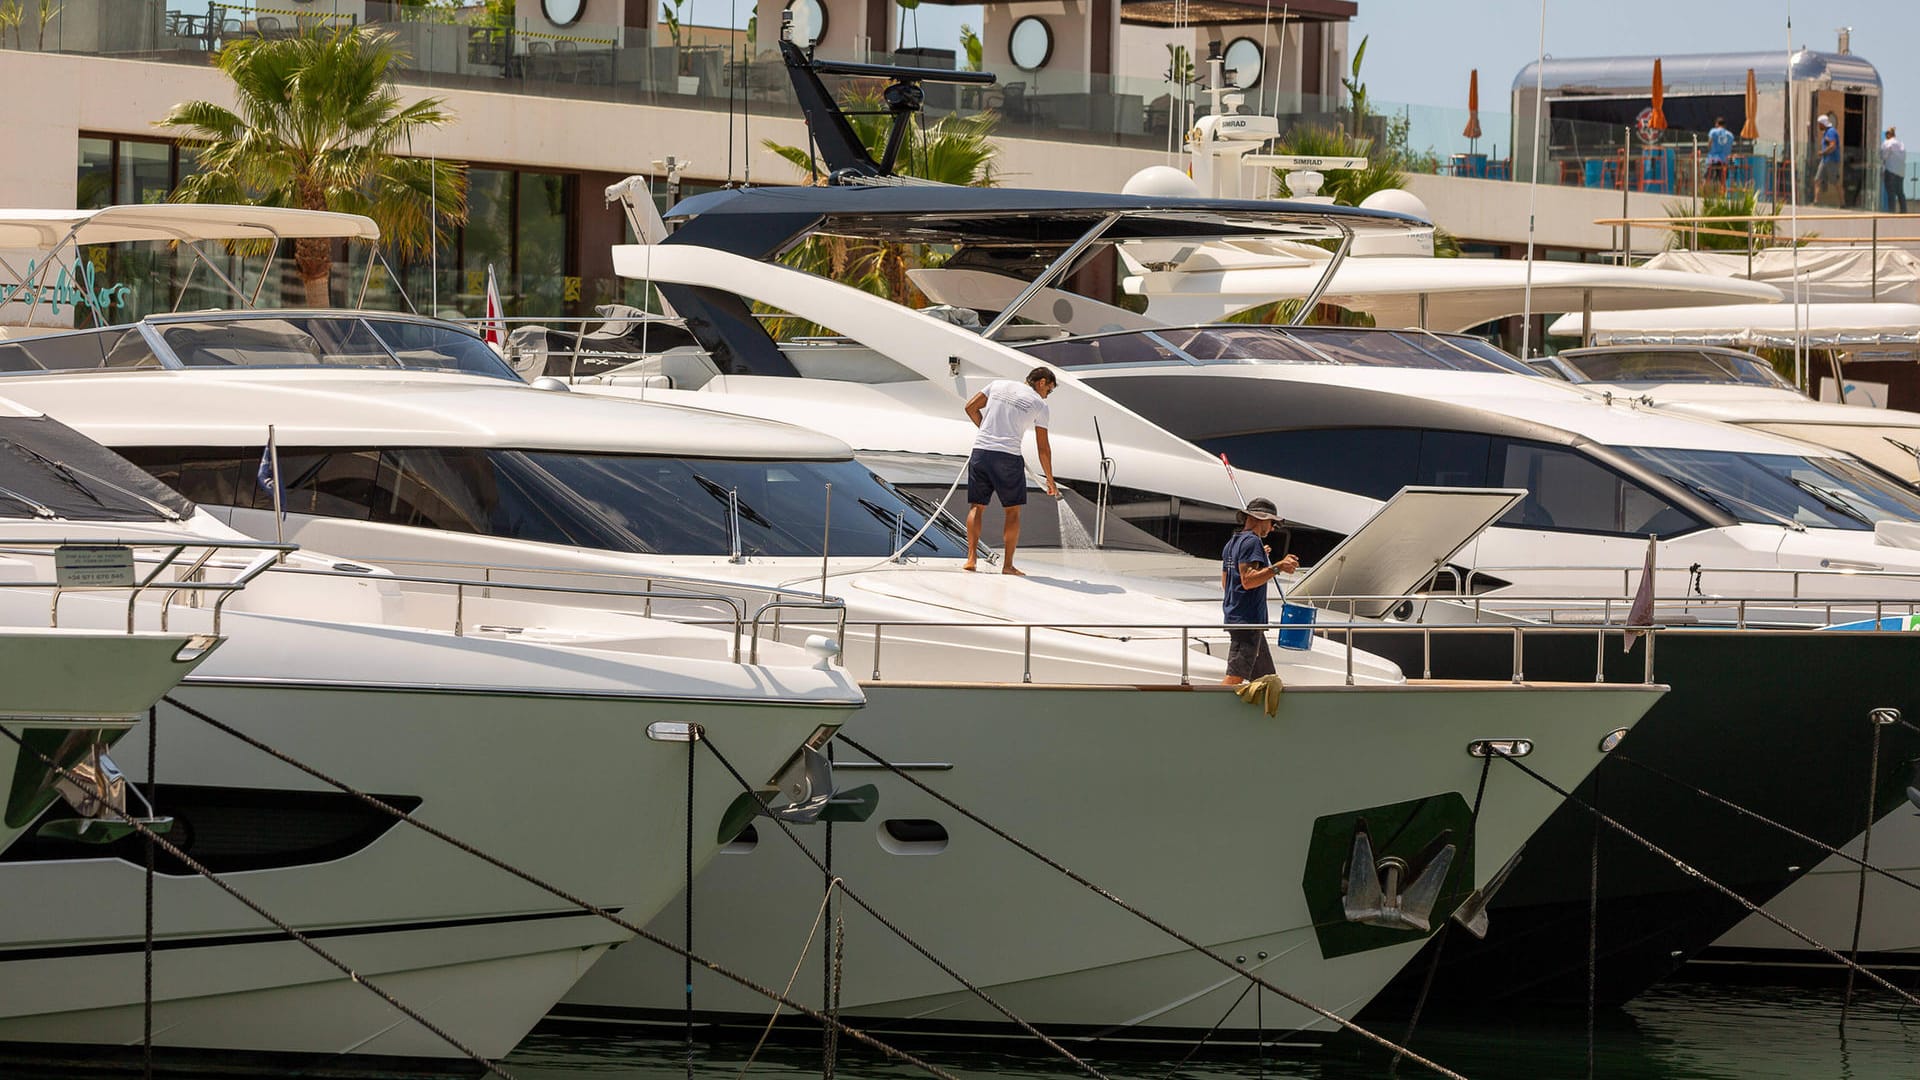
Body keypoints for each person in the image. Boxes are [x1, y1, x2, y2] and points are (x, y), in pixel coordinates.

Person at [961, 366, 1058, 575]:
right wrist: (1050, 480)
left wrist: (987, 431)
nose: (1047, 396)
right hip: (1008, 458)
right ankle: (1008, 566)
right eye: (1048, 390)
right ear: (1041, 382)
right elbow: (1043, 448)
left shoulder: (997, 385)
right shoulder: (1040, 405)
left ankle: (971, 559)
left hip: (981, 452)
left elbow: (970, 407)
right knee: (1012, 512)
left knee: (976, 507)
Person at [1220, 497, 1300, 686]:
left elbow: (1227, 583)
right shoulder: (1252, 542)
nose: (1272, 528)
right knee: (1235, 676)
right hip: (1247, 621)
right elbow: (1247, 581)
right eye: (1272, 523)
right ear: (1262, 519)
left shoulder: (1232, 544)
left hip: (1239, 617)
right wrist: (1279, 566)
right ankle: (1204, 712)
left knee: (1266, 680)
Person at [1815, 114, 1841, 206]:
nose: (1819, 126)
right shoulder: (1826, 133)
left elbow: (1833, 146)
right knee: (1817, 179)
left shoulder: (1831, 132)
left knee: (1835, 182)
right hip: (1825, 160)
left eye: (1819, 124)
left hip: (1831, 160)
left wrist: (1823, 153)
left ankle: (1842, 202)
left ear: (1823, 124)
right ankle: (1816, 201)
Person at [1883, 126, 1909, 214]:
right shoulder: (1901, 144)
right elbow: (1904, 157)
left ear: (1889, 135)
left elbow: (1882, 155)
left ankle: (1891, 212)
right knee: (1900, 192)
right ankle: (1904, 211)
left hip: (1891, 170)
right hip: (1901, 172)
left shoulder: (1888, 143)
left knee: (1891, 192)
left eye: (1886, 135)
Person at [1705, 117, 1734, 189]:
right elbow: (1730, 148)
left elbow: (1709, 144)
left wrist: (1708, 151)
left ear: (1717, 124)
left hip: (1713, 159)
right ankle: (1723, 196)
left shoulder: (1713, 131)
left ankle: (1704, 194)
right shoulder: (1730, 135)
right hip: (1724, 160)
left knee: (1707, 178)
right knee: (1723, 181)